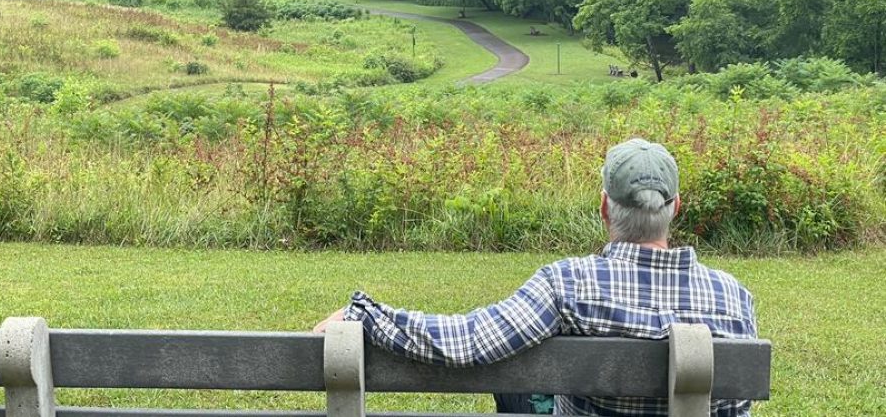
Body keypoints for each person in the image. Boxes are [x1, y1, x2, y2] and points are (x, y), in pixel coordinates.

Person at [313, 138, 758, 416]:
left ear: (605, 207)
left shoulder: (569, 283)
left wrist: (365, 315)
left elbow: (466, 342)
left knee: (517, 393)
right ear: (675, 208)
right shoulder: (734, 297)